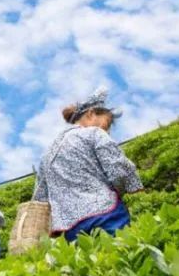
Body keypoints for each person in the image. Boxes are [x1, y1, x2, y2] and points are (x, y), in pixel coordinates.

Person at [32, 87, 144, 242]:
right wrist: (132, 191)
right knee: (121, 255)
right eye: (107, 122)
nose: (108, 129)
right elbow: (119, 169)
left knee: (89, 263)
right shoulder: (93, 133)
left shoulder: (46, 155)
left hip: (70, 228)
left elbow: (40, 198)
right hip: (105, 214)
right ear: (91, 113)